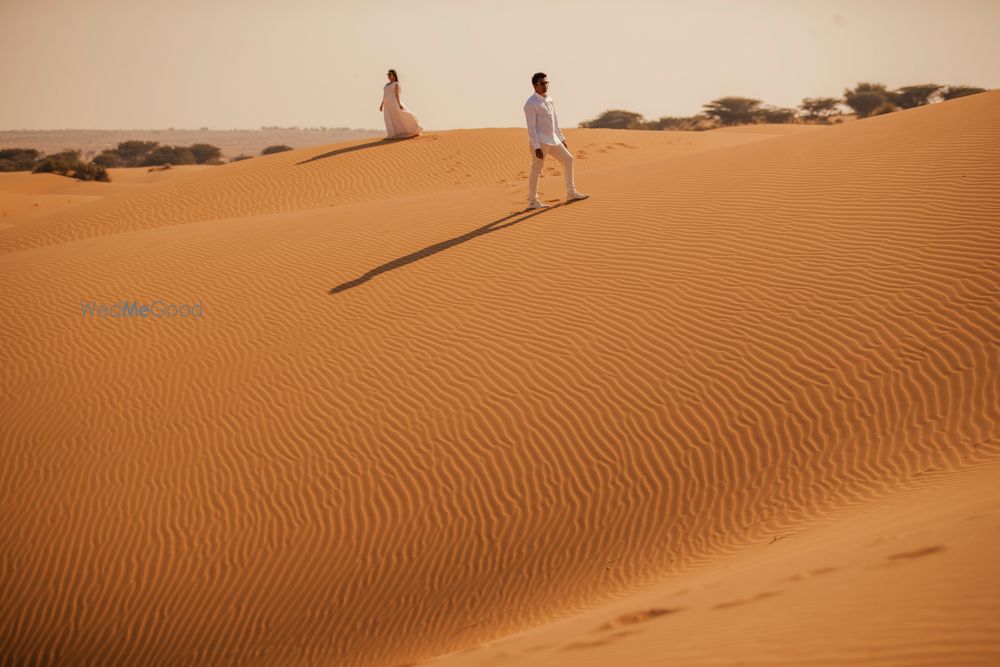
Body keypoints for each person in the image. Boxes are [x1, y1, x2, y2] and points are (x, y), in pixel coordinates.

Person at [523, 72, 589, 209]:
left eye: (546, 83)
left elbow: (555, 121)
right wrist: (536, 147)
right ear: (535, 85)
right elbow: (531, 128)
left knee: (568, 160)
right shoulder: (530, 104)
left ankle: (571, 192)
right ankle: (532, 201)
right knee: (536, 169)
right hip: (540, 142)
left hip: (553, 139)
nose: (545, 85)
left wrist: (561, 138)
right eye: (542, 83)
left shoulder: (549, 100)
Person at [380, 69, 422, 139]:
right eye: (388, 75)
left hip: (394, 103)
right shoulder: (386, 85)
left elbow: (397, 95)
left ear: (394, 75)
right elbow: (385, 95)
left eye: (390, 74)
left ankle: (413, 129)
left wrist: (399, 104)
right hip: (387, 105)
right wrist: (381, 105)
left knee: (401, 115)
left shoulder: (396, 84)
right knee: (389, 118)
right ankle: (392, 134)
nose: (389, 76)